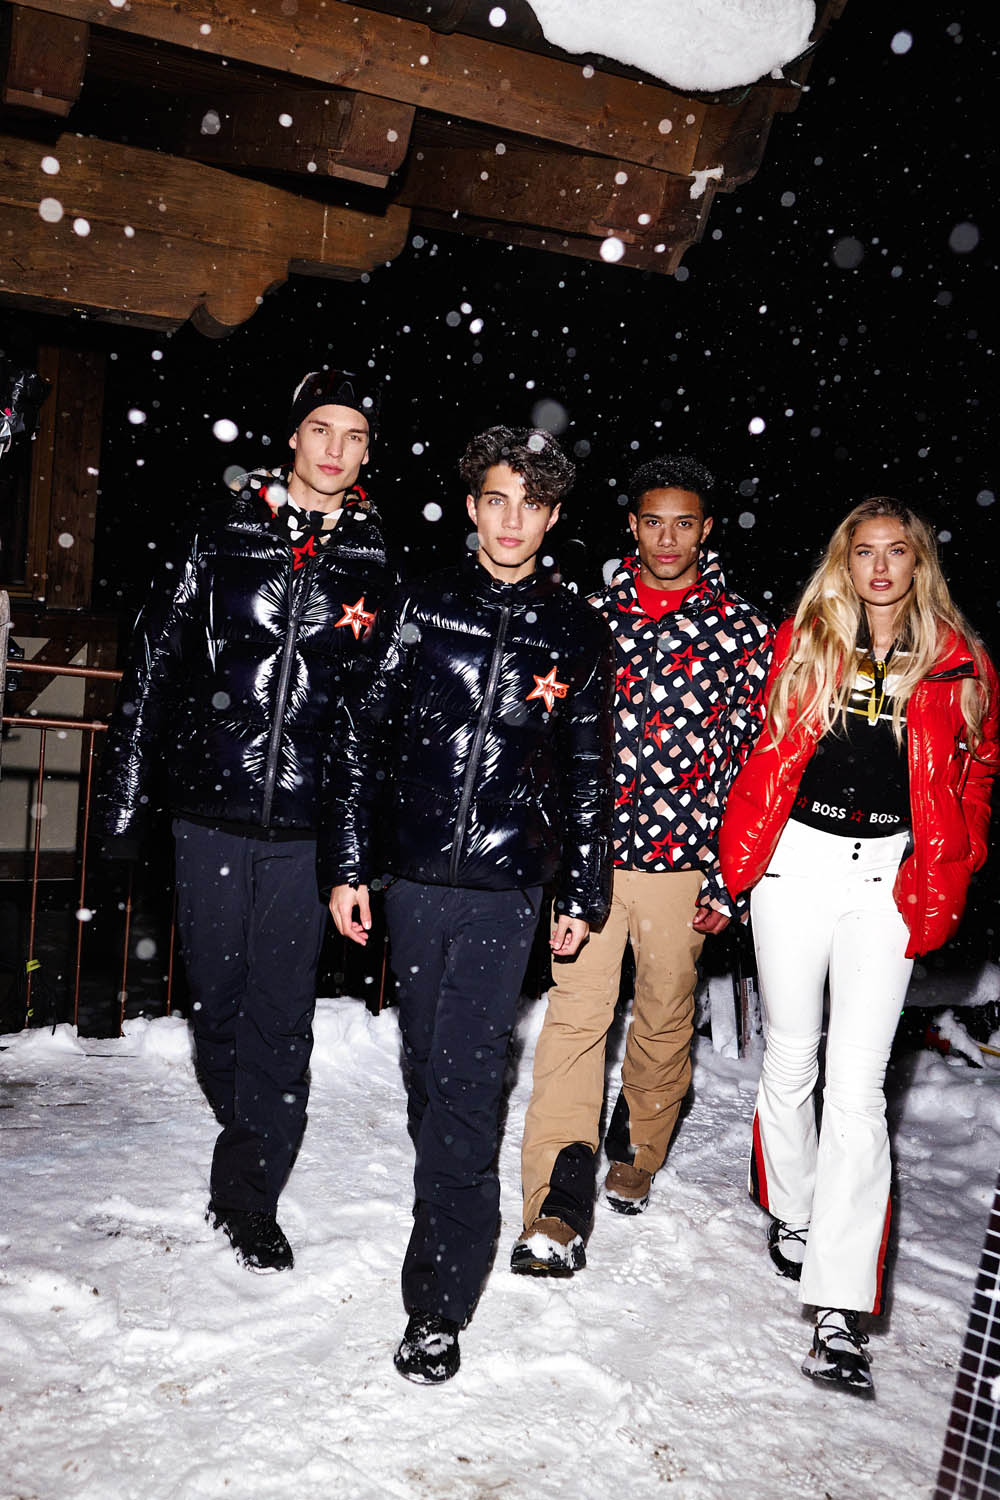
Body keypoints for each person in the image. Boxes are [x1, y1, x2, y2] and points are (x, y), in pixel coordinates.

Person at [324, 425, 614, 1383]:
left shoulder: (574, 630)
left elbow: (588, 772)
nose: (512, 521)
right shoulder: (423, 603)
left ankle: (438, 1300)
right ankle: (445, 1182)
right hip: (412, 879)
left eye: (531, 504)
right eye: (496, 500)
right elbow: (360, 736)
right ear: (471, 507)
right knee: (428, 1069)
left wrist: (581, 888)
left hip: (506, 885)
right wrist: (351, 864)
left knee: (464, 1079)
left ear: (553, 516)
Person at [96, 368, 393, 1273]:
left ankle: (249, 1193)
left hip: (307, 825)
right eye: (320, 429)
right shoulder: (221, 534)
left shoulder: (375, 564)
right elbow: (152, 664)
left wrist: (359, 844)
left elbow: (373, 718)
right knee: (217, 1005)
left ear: (367, 452)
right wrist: (122, 800)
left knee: (280, 1015)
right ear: (294, 437)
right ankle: (250, 1116)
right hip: (212, 809)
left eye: (353, 435)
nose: (335, 449)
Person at [719, 496, 999, 1397]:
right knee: (791, 1058)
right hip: (795, 865)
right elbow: (764, 749)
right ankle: (794, 1207)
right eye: (864, 551)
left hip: (888, 876)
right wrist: (741, 853)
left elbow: (979, 770)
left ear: (919, 562)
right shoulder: (807, 643)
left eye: (896, 551)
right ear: (845, 561)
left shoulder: (958, 662)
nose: (880, 567)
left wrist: (958, 853)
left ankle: (838, 1314)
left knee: (857, 1089)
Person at [512, 456, 773, 1274]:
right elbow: (547, 740)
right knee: (575, 1020)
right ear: (632, 526)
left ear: (706, 529)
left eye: (683, 523)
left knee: (664, 1016)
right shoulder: (587, 618)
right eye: (653, 521)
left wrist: (730, 878)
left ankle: (640, 1146)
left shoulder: (745, 631)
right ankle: (555, 1204)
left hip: (686, 865)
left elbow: (754, 764)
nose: (667, 538)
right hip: (591, 862)